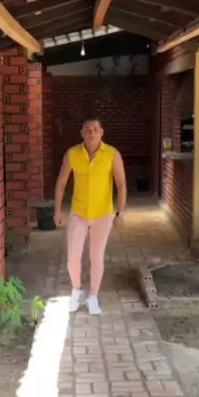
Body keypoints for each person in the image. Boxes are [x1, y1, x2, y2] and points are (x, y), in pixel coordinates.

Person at [53, 117, 127, 315]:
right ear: (82, 133)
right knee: (73, 256)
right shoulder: (72, 154)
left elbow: (121, 184)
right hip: (78, 213)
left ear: (101, 132)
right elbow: (61, 182)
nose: (91, 133)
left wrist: (120, 212)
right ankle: (76, 291)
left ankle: (93, 296)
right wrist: (57, 210)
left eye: (95, 129)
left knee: (96, 256)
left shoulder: (112, 154)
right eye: (88, 129)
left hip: (103, 214)